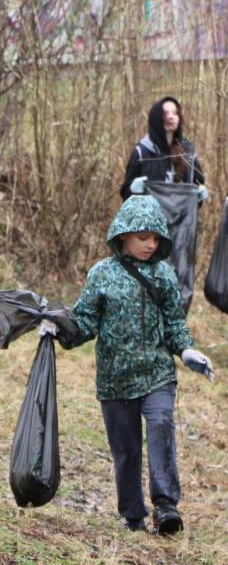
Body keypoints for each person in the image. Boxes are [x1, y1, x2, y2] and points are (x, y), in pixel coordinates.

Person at [41, 195, 214, 535]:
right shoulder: (101, 275)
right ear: (124, 235)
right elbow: (85, 324)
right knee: (126, 449)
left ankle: (166, 507)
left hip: (157, 373)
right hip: (115, 380)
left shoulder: (164, 275)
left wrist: (188, 352)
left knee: (162, 426)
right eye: (143, 237)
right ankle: (133, 515)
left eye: (155, 238)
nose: (151, 245)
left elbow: (174, 324)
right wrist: (57, 331)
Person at [121, 96, 207, 201]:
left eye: (175, 113)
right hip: (151, 216)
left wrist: (199, 195)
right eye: (166, 113)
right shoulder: (142, 152)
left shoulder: (187, 151)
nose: (171, 117)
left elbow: (197, 183)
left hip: (181, 216)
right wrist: (132, 189)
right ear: (156, 117)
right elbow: (125, 193)